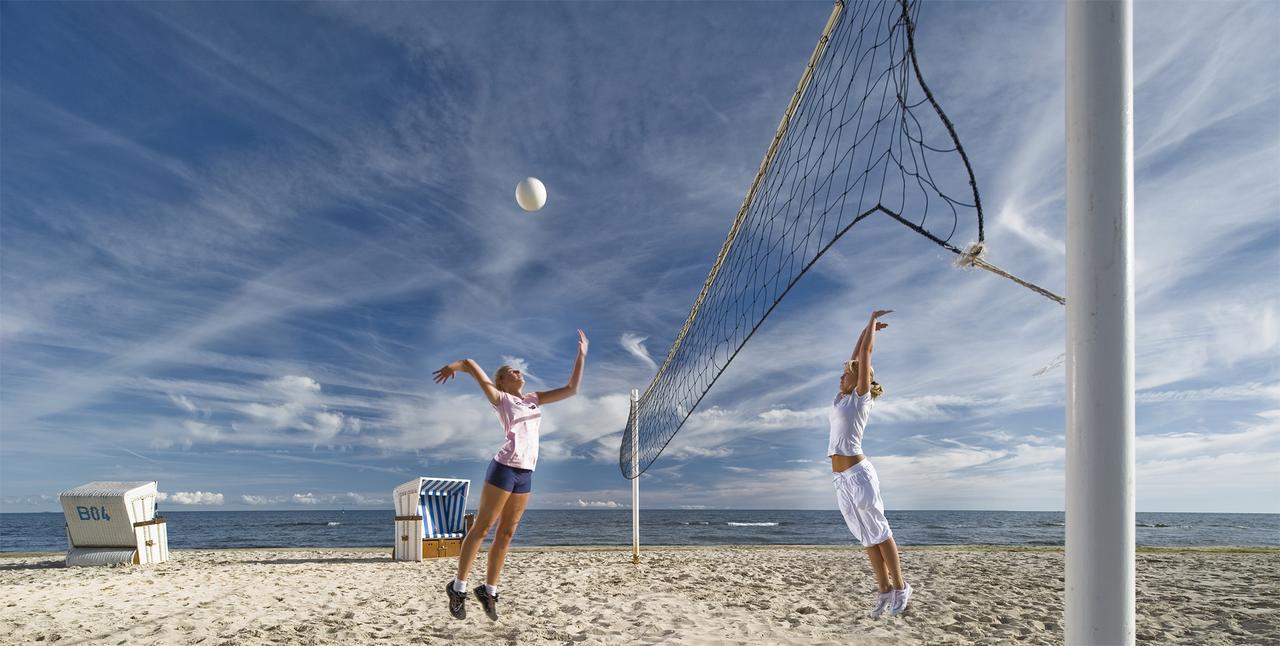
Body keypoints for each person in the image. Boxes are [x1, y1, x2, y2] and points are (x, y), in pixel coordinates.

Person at [432, 329, 588, 621]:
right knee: (483, 527)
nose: (518, 371)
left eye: (518, 369)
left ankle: (489, 591)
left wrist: (581, 355)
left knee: (507, 533)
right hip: (504, 468)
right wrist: (451, 367)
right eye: (510, 370)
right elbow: (468, 363)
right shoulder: (500, 398)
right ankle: (458, 587)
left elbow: (571, 389)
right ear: (502, 380)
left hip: (526, 472)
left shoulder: (533, 399)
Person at [829, 309, 911, 618]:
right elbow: (854, 357)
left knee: (879, 531)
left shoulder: (861, 398)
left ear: (862, 378)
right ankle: (884, 590)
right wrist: (867, 328)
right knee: (866, 537)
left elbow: (863, 355)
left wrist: (871, 323)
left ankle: (901, 586)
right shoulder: (840, 400)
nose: (842, 375)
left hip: (859, 474)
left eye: (847, 373)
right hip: (841, 479)